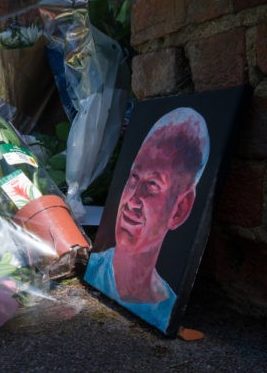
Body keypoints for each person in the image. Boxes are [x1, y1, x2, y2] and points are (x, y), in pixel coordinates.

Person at [84, 107, 210, 332]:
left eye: (152, 185)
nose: (132, 200)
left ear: (180, 209)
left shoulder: (166, 307)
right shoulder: (94, 268)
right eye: (134, 177)